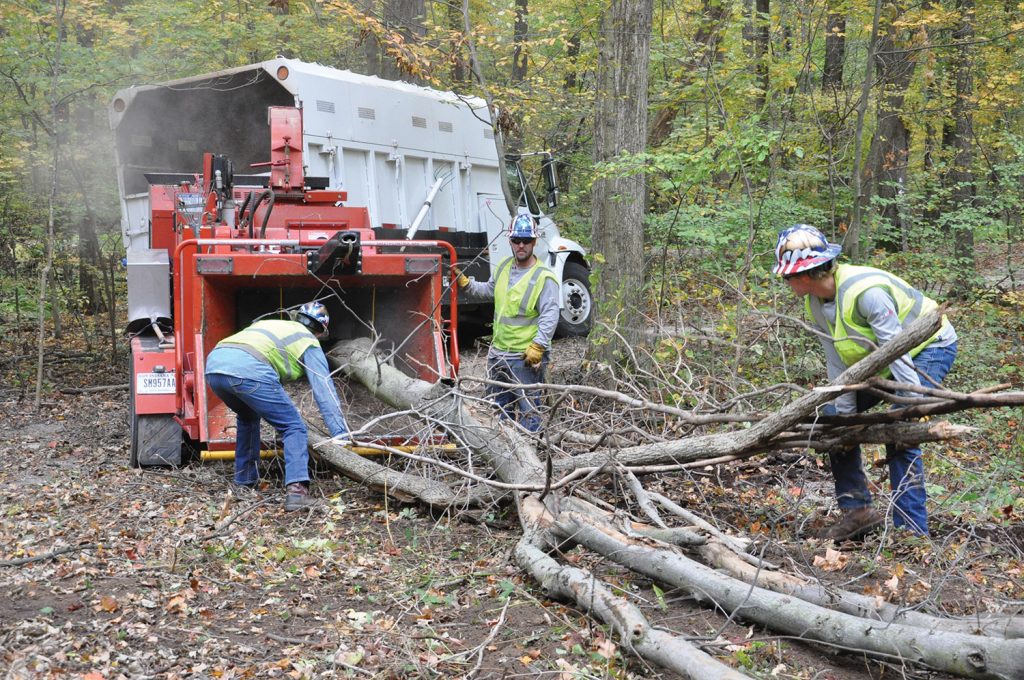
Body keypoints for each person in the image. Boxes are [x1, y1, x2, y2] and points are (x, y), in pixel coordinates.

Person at [774, 224, 958, 540]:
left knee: (901, 430)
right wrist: (844, 416)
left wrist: (913, 403)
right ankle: (858, 512)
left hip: (928, 348)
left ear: (805, 274)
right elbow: (837, 360)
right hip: (885, 360)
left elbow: (897, 348)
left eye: (788, 275)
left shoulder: (866, 291)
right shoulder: (816, 302)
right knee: (834, 422)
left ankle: (911, 532)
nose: (785, 281)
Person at [204, 301, 350, 511]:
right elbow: (324, 389)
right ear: (321, 332)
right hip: (248, 369)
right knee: (293, 427)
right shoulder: (308, 340)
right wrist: (341, 434)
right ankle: (297, 493)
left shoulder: (274, 326)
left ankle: (244, 482)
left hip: (215, 366)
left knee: (247, 417)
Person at [454, 213, 560, 432]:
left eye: (526, 240)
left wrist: (539, 346)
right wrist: (466, 284)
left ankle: (531, 456)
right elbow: (487, 291)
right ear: (510, 241)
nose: (521, 245)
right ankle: (506, 453)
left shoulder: (543, 277)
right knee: (499, 410)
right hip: (499, 353)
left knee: (530, 411)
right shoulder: (503, 267)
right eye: (516, 240)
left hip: (525, 357)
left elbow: (550, 315)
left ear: (534, 241)